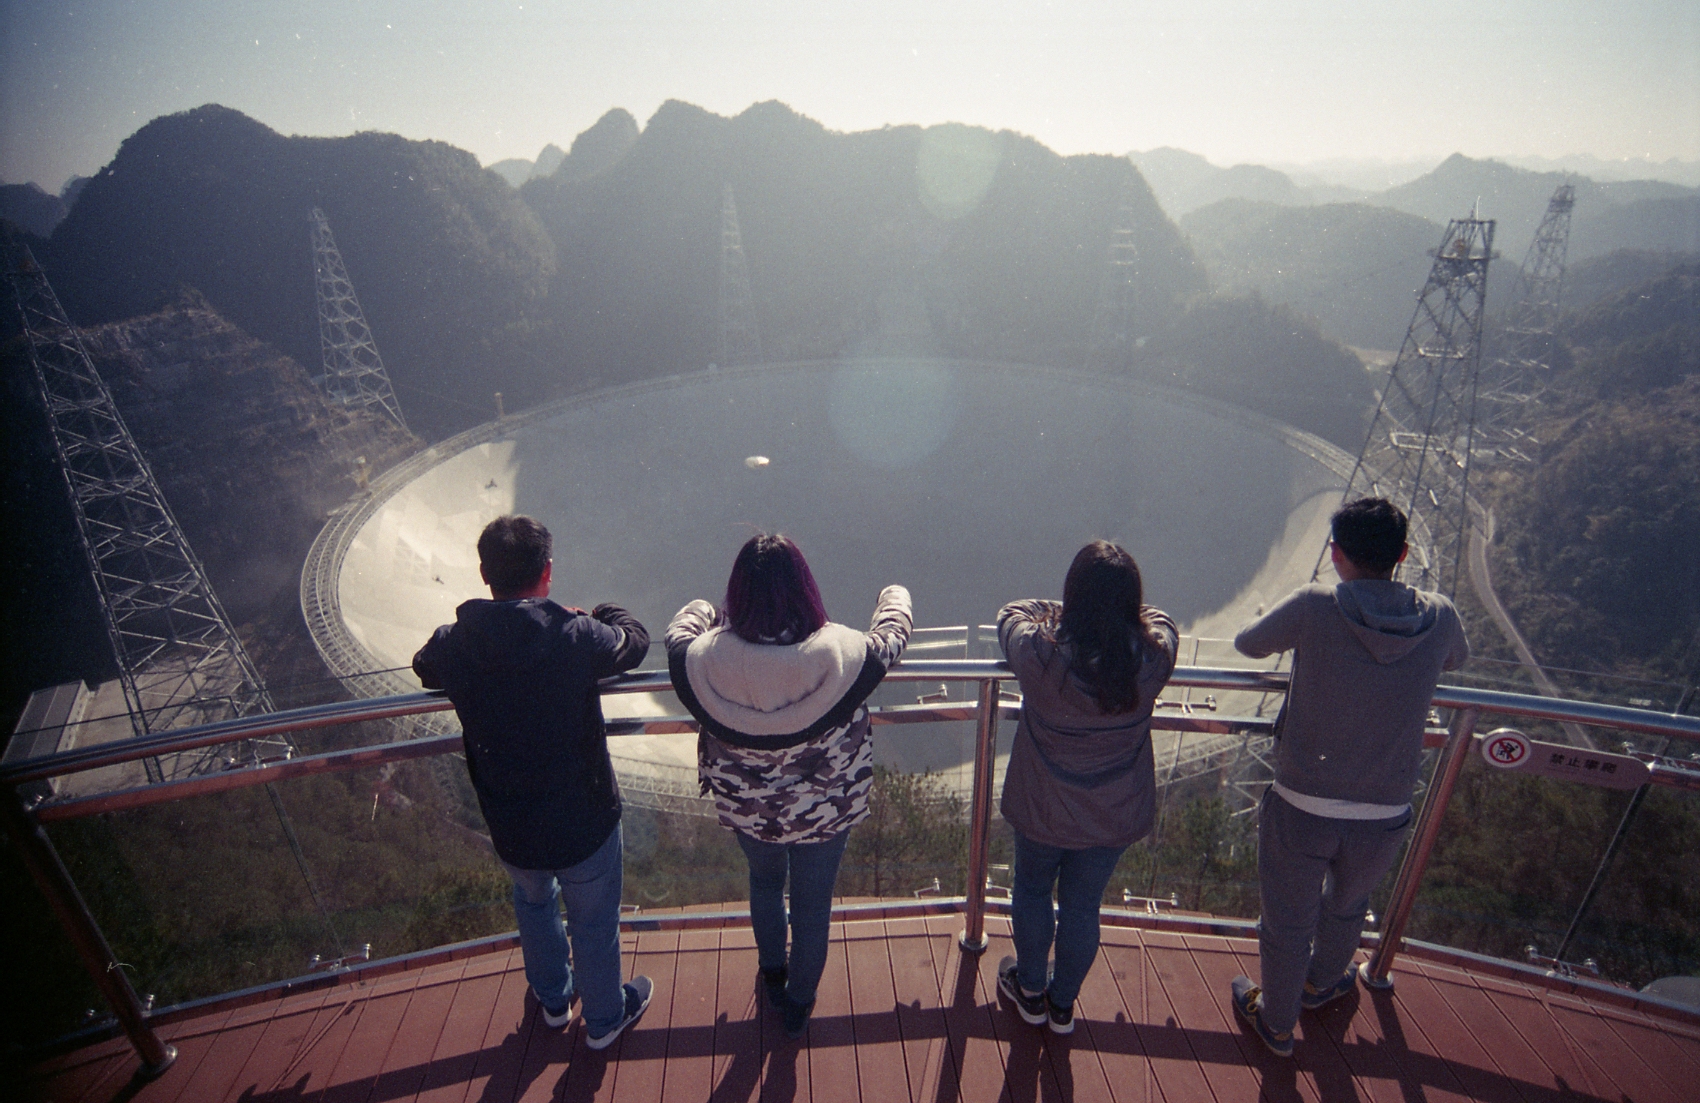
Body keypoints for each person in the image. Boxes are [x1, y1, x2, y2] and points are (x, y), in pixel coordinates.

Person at [1228, 497, 1469, 1057]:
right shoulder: (1441, 616)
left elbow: (1249, 644)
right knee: (1348, 905)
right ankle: (1322, 983)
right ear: (1404, 555)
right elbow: (1456, 658)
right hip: (1384, 809)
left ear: (1335, 553)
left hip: (1302, 801)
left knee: (1287, 918)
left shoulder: (1315, 606)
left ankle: (1277, 1023)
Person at [412, 515, 654, 1050]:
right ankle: (604, 1019)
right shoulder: (572, 634)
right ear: (547, 572)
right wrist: (600, 613)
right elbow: (634, 643)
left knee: (536, 903)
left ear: (483, 573)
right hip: (583, 817)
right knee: (593, 923)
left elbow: (424, 664)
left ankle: (552, 1001)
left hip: (510, 820)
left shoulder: (459, 643)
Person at [666, 532, 911, 1040]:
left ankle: (772, 971)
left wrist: (705, 610)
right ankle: (798, 1003)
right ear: (805, 589)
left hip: (749, 811)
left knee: (763, 884)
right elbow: (892, 637)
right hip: (826, 811)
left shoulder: (705, 664)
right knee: (812, 903)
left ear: (738, 595)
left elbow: (677, 636)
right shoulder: (841, 655)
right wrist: (894, 594)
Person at [996, 540, 1179, 1034]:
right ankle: (1062, 1004)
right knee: (1082, 906)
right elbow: (1162, 620)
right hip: (1112, 814)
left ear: (1072, 596)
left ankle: (1029, 989)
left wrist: (1057, 613)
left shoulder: (1041, 656)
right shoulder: (1153, 658)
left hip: (1043, 807)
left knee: (1032, 891)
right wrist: (1121, 619)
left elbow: (1010, 615)